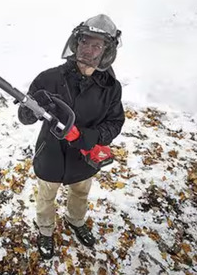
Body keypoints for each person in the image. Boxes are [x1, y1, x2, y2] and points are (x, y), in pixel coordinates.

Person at [17, 14, 125, 259]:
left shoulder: (111, 88)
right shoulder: (49, 78)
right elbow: (24, 118)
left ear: (106, 51)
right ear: (76, 42)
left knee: (80, 193)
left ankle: (75, 221)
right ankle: (45, 230)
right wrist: (30, 108)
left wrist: (88, 138)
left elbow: (115, 122)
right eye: (85, 42)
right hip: (50, 154)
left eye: (96, 45)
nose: (88, 49)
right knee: (46, 196)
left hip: (84, 158)